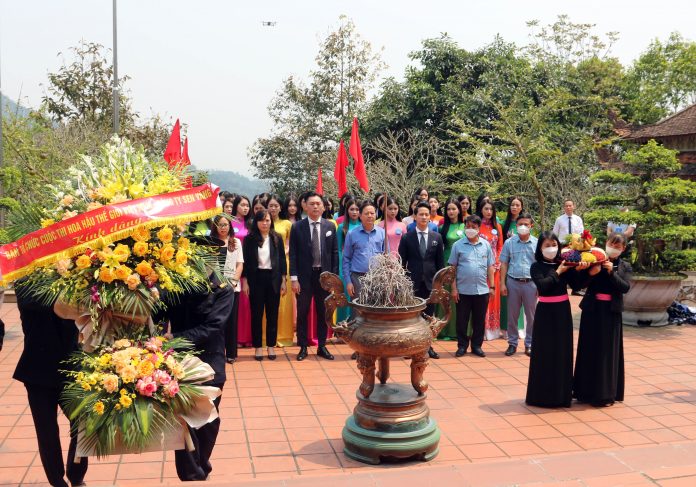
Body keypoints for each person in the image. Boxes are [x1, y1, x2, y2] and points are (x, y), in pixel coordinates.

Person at [12, 287, 88, 487]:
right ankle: (57, 481)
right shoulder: (26, 282)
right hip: (38, 370)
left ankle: (76, 476)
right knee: (47, 432)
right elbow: (44, 302)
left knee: (83, 422)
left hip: (71, 366)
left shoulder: (74, 278)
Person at [164, 263, 232, 481]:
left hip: (210, 361)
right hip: (181, 363)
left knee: (209, 420)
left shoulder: (223, 289)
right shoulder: (176, 284)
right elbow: (160, 313)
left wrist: (174, 338)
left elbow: (213, 327)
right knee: (185, 421)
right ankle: (191, 475)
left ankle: (201, 465)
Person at [526, 233, 586, 408]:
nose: (551, 248)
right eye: (547, 245)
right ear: (540, 248)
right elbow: (543, 286)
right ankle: (541, 396)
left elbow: (577, 286)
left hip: (562, 312)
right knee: (544, 352)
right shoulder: (536, 266)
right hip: (545, 312)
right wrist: (558, 272)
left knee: (562, 350)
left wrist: (580, 271)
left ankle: (562, 395)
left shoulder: (565, 263)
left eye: (554, 244)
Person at [573, 232, 632, 407]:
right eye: (611, 244)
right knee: (588, 348)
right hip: (592, 310)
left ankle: (605, 394)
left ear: (623, 249)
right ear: (606, 243)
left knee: (607, 351)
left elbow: (625, 287)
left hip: (611, 313)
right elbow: (578, 284)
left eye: (617, 246)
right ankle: (584, 391)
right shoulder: (594, 258)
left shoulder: (624, 266)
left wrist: (611, 272)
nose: (613, 248)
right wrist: (591, 272)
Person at [289, 192, 339, 361]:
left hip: (324, 277)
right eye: (312, 204)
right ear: (305, 206)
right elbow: (293, 254)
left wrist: (333, 279)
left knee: (323, 312)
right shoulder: (297, 227)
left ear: (323, 207)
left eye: (318, 204)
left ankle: (322, 346)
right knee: (302, 312)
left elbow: (334, 254)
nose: (315, 206)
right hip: (304, 277)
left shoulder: (330, 226)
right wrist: (294, 279)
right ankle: (303, 346)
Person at [399, 201, 444, 359]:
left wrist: (439, 284)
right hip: (413, 282)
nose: (424, 217)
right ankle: (410, 348)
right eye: (421, 214)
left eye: (426, 214)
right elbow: (401, 262)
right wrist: (403, 282)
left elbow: (440, 264)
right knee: (412, 317)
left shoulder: (437, 237)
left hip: (431, 283)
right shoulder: (407, 237)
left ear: (429, 217)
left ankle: (428, 346)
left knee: (429, 317)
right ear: (415, 217)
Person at [243, 209, 287, 361]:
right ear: (256, 222)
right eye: (261, 220)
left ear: (271, 222)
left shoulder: (276, 237)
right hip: (256, 279)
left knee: (272, 315)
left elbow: (282, 259)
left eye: (267, 220)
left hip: (273, 279)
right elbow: (245, 261)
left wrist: (283, 280)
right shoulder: (249, 239)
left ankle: (270, 346)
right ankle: (258, 347)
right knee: (256, 315)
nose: (265, 223)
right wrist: (245, 282)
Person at [448, 215, 495, 357]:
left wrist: (492, 287)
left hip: (482, 290)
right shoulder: (457, 245)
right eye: (467, 226)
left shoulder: (485, 245)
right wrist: (454, 288)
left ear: (479, 228)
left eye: (473, 227)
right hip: (463, 291)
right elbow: (452, 269)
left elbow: (490, 267)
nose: (470, 229)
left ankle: (476, 346)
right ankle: (462, 346)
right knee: (462, 320)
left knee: (479, 321)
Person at [500, 212, 537, 356]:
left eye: (526, 224)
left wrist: (539, 285)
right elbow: (504, 263)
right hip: (513, 282)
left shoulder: (537, 243)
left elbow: (539, 265)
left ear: (531, 226)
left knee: (531, 316)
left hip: (531, 283)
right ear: (516, 226)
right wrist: (502, 284)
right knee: (512, 316)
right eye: (520, 224)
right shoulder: (509, 242)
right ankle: (512, 343)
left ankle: (529, 344)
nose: (523, 227)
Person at [214, 216, 243, 364]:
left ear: (230, 226)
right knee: (216, 322)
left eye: (225, 225)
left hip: (232, 288)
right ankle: (217, 352)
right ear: (215, 226)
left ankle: (231, 353)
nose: (223, 227)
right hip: (214, 288)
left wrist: (233, 283)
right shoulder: (210, 243)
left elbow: (240, 264)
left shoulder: (236, 242)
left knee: (231, 321)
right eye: (220, 225)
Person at [343, 201, 386, 300]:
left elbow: (386, 257)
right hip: (358, 279)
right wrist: (348, 282)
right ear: (360, 216)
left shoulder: (382, 233)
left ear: (376, 215)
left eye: (372, 213)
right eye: (366, 213)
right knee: (359, 308)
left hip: (378, 278)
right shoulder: (351, 234)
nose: (370, 216)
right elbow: (346, 259)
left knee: (377, 307)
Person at [437, 198, 465, 340]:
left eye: (454, 209)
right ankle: (444, 330)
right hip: (447, 263)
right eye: (448, 209)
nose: (451, 211)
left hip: (463, 264)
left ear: (459, 210)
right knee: (446, 297)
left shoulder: (465, 226)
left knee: (461, 297)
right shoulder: (442, 228)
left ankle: (459, 330)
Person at [268, 194, 294, 347]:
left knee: (284, 302)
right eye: (270, 205)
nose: (273, 208)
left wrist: (284, 252)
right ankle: (266, 337)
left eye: (276, 206)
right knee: (268, 301)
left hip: (284, 264)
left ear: (280, 207)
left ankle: (284, 337)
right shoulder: (263, 222)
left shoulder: (287, 224)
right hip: (266, 266)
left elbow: (291, 244)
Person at [500, 196, 526, 340]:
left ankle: (519, 327)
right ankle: (505, 328)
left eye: (517, 205)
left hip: (521, 263)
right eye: (512, 205)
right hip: (507, 262)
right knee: (507, 298)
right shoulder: (504, 224)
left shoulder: (524, 223)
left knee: (520, 297)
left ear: (521, 207)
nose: (514, 207)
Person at [477, 199, 503, 340]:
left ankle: (492, 330)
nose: (488, 211)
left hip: (494, 269)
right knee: (480, 298)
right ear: (481, 209)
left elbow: (500, 246)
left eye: (491, 209)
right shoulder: (476, 225)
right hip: (479, 267)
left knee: (493, 297)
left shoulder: (497, 227)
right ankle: (479, 330)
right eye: (486, 209)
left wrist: (496, 263)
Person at [231, 196, 253, 348]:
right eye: (242, 205)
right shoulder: (230, 223)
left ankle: (249, 337)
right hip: (234, 266)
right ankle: (237, 337)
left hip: (250, 266)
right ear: (236, 206)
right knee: (237, 304)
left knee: (248, 303)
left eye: (247, 205)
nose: (245, 208)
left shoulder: (251, 223)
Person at [337, 198, 362, 322]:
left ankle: (357, 324)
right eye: (352, 209)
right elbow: (338, 249)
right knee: (345, 296)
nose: (354, 212)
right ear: (347, 211)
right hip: (346, 267)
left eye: (357, 209)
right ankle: (342, 325)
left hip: (359, 266)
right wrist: (340, 268)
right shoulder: (342, 227)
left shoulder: (363, 226)